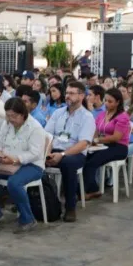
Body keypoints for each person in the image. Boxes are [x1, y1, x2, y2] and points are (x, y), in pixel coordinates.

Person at [0, 97, 46, 233]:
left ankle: (28, 219)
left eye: (13, 116)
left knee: (14, 183)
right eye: (8, 115)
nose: (10, 119)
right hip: (7, 163)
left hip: (31, 165)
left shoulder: (35, 127)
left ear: (23, 114)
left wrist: (15, 159)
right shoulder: (7, 124)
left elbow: (35, 153)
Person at [45, 81, 95, 222]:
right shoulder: (58, 113)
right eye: (67, 93)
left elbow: (83, 143)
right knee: (33, 159)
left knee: (68, 164)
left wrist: (62, 155)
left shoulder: (87, 117)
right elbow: (47, 136)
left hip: (75, 153)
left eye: (71, 93)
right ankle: (38, 200)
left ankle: (70, 207)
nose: (67, 96)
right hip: (54, 149)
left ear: (81, 96)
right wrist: (47, 153)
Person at [83, 88, 130, 200]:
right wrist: (91, 142)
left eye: (110, 101)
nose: (107, 103)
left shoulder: (123, 117)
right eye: (106, 100)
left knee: (92, 163)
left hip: (119, 147)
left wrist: (97, 140)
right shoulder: (103, 114)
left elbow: (116, 137)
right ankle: (83, 188)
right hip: (104, 145)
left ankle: (93, 190)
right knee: (83, 157)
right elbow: (95, 131)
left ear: (118, 102)